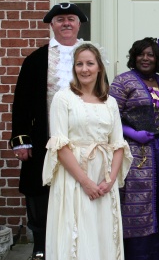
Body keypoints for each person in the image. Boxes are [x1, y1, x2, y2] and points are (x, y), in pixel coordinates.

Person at [9, 3, 88, 260]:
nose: (66, 23)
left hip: (84, 140)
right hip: (44, 138)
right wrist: (22, 141)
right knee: (41, 192)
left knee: (80, 191)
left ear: (79, 24)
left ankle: (78, 246)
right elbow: (21, 102)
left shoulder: (92, 56)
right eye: (60, 19)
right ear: (52, 25)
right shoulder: (35, 59)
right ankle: (41, 246)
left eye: (71, 19)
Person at [42, 43, 133, 259]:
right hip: (74, 177)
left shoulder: (110, 102)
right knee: (76, 230)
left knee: (102, 233)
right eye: (79, 64)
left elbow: (118, 145)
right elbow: (59, 145)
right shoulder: (63, 98)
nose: (84, 69)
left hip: (103, 177)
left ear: (99, 67)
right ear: (74, 68)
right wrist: (85, 182)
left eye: (90, 63)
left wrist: (109, 180)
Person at [109, 37, 159, 260]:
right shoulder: (122, 82)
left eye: (151, 54)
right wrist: (133, 133)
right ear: (134, 56)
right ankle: (136, 254)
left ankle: (158, 253)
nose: (146, 58)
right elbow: (110, 117)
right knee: (136, 202)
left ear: (158, 58)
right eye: (141, 54)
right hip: (134, 154)